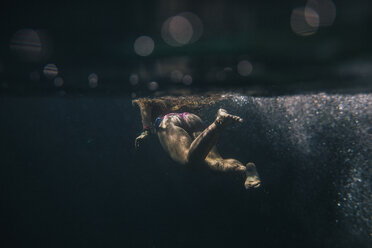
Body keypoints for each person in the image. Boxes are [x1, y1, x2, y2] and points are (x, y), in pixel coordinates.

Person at [133, 97, 261, 189]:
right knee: (215, 162)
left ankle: (218, 124)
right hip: (191, 117)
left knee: (189, 161)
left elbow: (147, 123)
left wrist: (145, 133)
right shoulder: (176, 96)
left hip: (168, 122)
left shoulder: (144, 98)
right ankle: (245, 171)